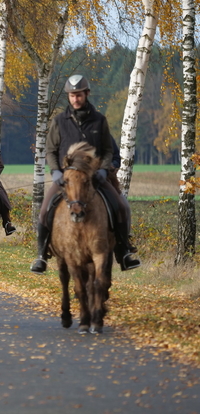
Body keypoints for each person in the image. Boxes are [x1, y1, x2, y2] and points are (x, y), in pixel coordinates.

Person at [30, 75, 140, 274]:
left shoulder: (99, 121)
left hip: (95, 178)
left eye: (78, 95)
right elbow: (50, 150)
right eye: (72, 95)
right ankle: (41, 254)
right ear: (69, 97)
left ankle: (124, 252)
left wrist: (104, 169)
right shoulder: (59, 122)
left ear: (86, 94)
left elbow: (108, 150)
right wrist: (55, 170)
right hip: (67, 179)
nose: (75, 99)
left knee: (122, 206)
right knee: (45, 210)